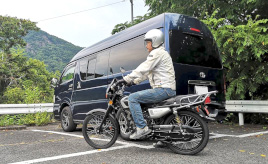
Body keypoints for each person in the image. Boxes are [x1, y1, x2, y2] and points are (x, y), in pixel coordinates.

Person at [120, 29, 176, 140]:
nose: (146, 46)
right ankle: (163, 139)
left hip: (163, 89)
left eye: (148, 42)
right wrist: (134, 81)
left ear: (154, 41)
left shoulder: (157, 53)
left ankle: (142, 128)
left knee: (132, 98)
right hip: (167, 89)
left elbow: (144, 67)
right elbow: (147, 74)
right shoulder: (161, 53)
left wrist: (126, 78)